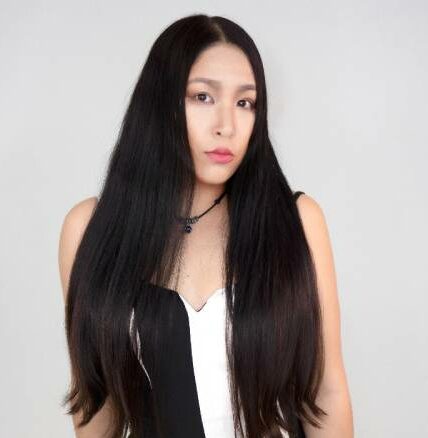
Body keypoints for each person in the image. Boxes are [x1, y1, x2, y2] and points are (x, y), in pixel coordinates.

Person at [58, 13, 353, 438]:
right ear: (160, 103)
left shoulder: (298, 222)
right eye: (202, 97)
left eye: (245, 103)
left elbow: (326, 391)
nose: (226, 126)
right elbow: (95, 402)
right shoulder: (90, 230)